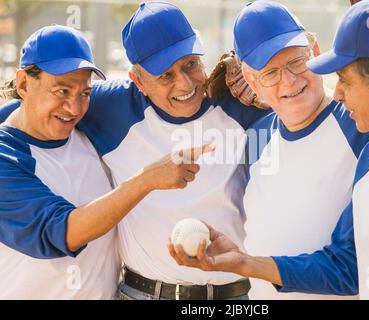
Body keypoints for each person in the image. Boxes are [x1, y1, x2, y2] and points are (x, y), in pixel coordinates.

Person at [169, 0, 369, 299]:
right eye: (270, 73)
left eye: (344, 80)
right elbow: (345, 265)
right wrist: (246, 263)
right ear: (252, 79)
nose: (337, 92)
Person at [77, 2, 268, 300]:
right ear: (138, 80)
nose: (185, 83)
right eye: (165, 76)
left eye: (191, 63)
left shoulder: (236, 101)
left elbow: (301, 88)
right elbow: (34, 106)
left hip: (235, 296)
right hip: (142, 293)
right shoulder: (110, 108)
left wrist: (253, 71)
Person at [0, 25, 206, 299]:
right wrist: (148, 179)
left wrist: (233, 74)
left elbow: (152, 88)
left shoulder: (89, 129)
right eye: (61, 92)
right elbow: (61, 231)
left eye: (84, 93)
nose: (74, 108)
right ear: (24, 84)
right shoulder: (6, 157)